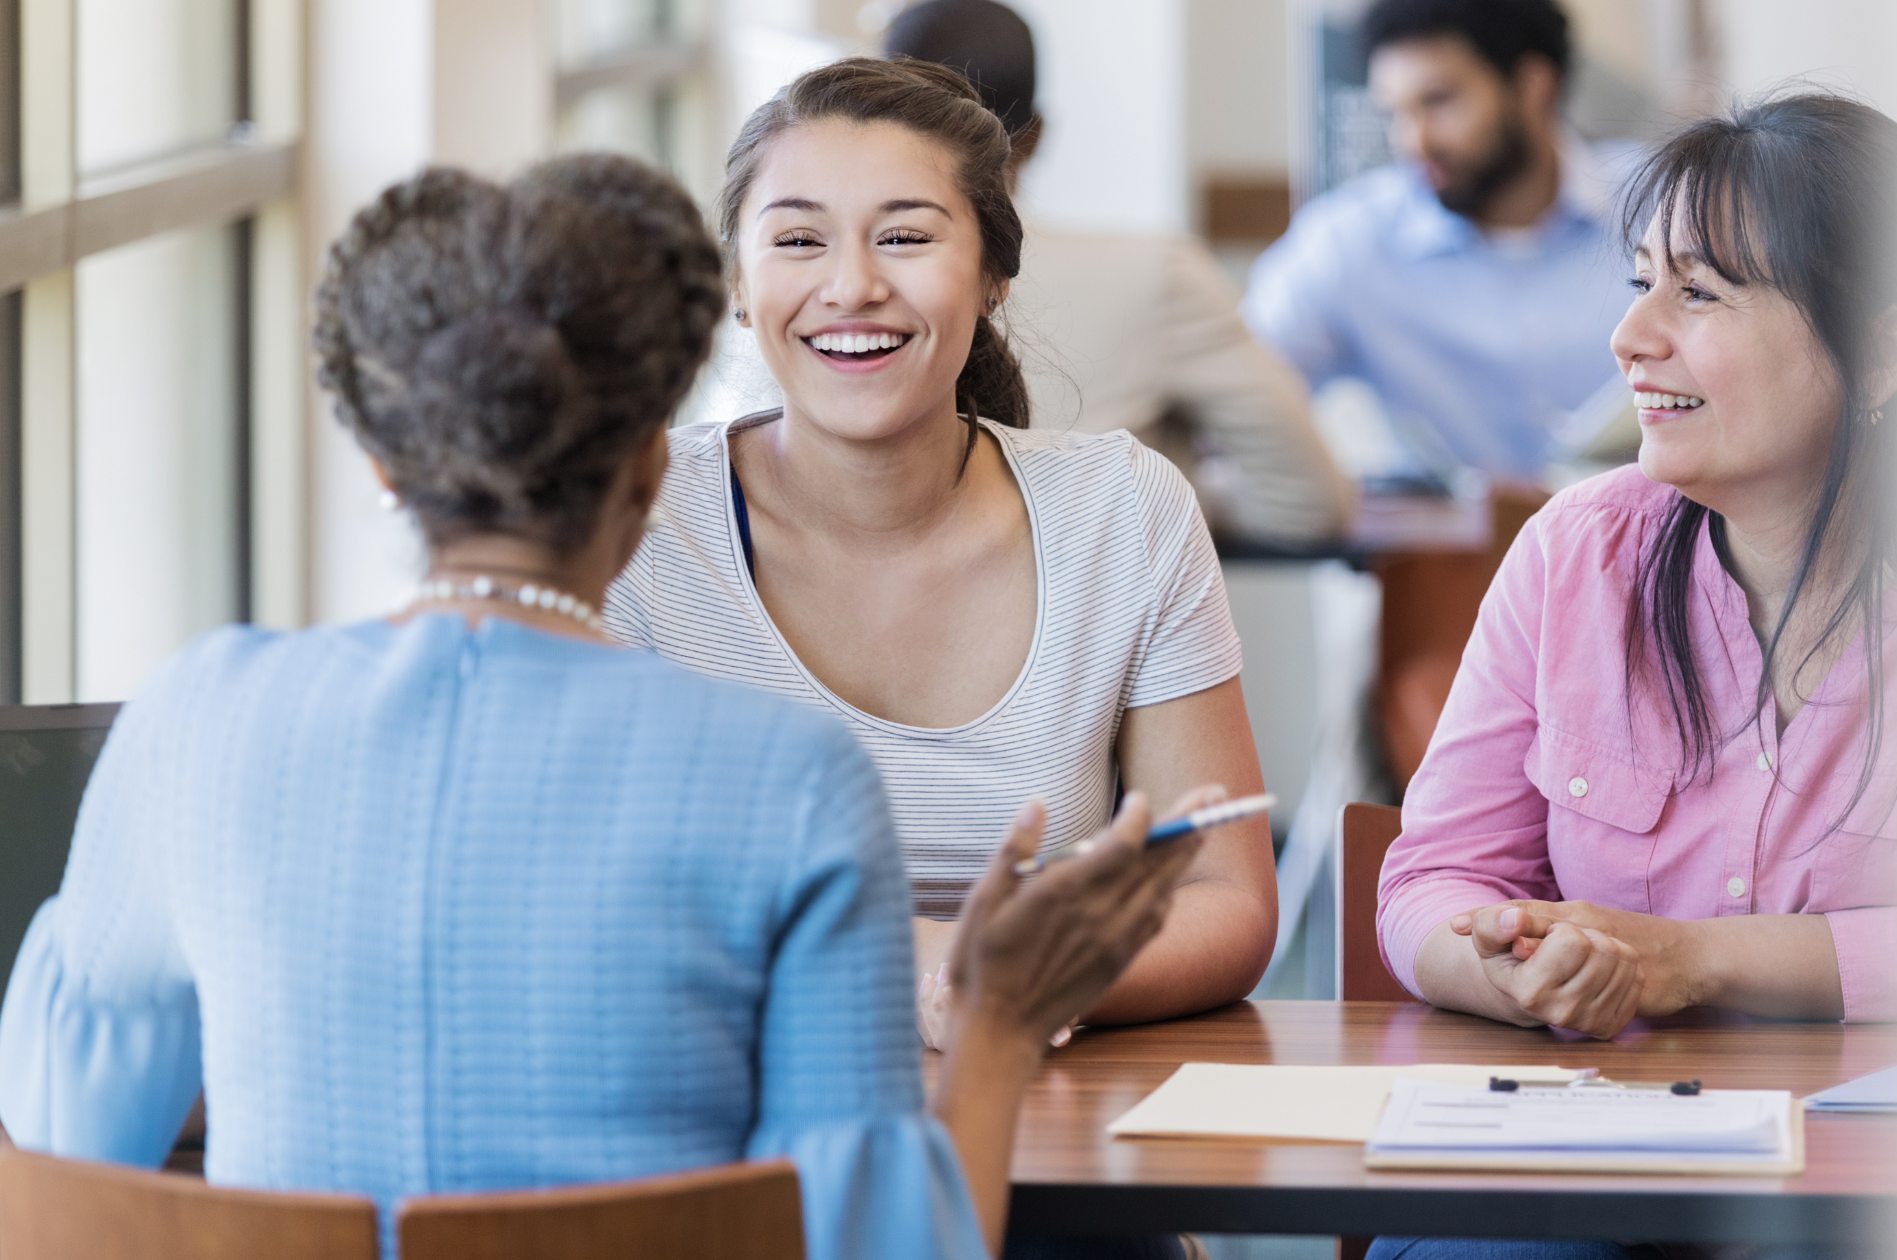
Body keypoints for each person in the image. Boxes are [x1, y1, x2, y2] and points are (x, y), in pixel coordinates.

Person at [0, 155, 1208, 1260]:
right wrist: (995, 1025)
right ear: (650, 468)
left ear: (381, 464)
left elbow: (63, 1136)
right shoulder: (785, 777)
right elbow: (884, 1247)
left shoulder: (195, 718)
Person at [1371, 94, 1897, 1258]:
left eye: (1697, 293)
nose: (1630, 340)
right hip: (1583, 1155)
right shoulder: (1573, 553)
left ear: (1884, 350)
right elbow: (1433, 875)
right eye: (1637, 283)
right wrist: (1507, 970)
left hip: (1881, 1186)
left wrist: (1684, 960)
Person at [605, 59, 1278, 1042]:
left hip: (1054, 1129)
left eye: (906, 238)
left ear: (993, 275)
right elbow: (601, 904)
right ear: (740, 287)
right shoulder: (635, 518)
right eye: (797, 240)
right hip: (727, 1132)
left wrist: (1002, 992)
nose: (852, 286)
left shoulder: (1121, 509)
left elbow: (1226, 895)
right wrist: (914, 976)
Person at [883, 0, 1354, 548]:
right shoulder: (1155, 275)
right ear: (1036, 134)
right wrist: (1151, 503)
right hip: (1098, 625)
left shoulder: (826, 300)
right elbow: (1306, 502)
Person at [1242, 0, 1636, 481]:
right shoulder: (1351, 241)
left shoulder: (1668, 207)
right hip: (1450, 553)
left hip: (1659, 544)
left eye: (1438, 102)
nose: (1413, 142)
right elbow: (1238, 386)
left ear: (1532, 85)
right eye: (1395, 113)